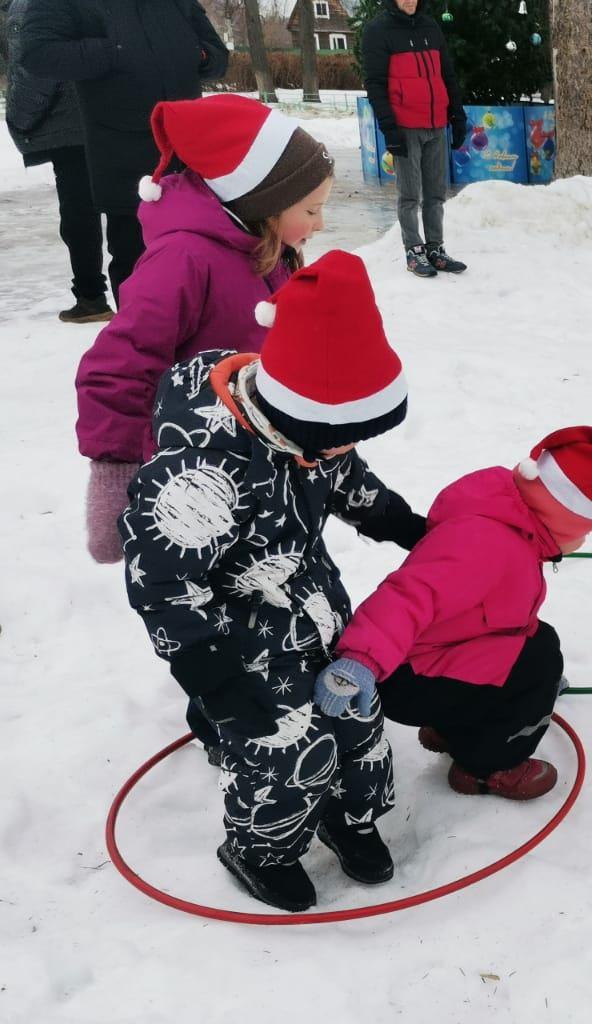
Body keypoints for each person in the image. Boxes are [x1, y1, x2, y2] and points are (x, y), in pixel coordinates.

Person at [120, 251, 426, 914]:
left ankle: (349, 814)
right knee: (284, 744)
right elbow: (165, 583)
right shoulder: (203, 475)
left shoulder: (313, 428)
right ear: (302, 419)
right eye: (340, 438)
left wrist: (401, 523)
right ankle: (261, 849)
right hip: (234, 628)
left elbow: (345, 477)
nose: (344, 450)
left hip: (311, 598)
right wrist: (213, 679)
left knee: (356, 711)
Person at [77, 94, 337, 567]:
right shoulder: (184, 260)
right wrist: (115, 478)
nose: (321, 224)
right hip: (193, 479)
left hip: (256, 463)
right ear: (266, 203)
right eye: (311, 210)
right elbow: (119, 366)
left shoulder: (265, 250)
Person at [313, 428, 592, 801]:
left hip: (432, 657)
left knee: (536, 647)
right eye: (584, 531)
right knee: (538, 662)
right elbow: (410, 595)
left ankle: (452, 728)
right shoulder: (487, 543)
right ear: (559, 518)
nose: (584, 541)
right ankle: (488, 767)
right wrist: (361, 659)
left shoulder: (512, 518)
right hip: (407, 676)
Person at [17, 0, 229, 302]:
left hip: (188, 146)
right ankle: (140, 332)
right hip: (123, 150)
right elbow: (38, 53)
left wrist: (198, 55)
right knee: (138, 267)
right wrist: (116, 52)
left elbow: (218, 56)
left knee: (202, 259)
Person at [2, 0, 111, 322]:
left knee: (79, 213)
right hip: (105, 113)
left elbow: (36, 69)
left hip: (69, 122)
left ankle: (91, 297)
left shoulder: (28, 6)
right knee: (124, 206)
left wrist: (20, 117)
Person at [361, 0, 468, 279]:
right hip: (405, 126)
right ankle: (413, 250)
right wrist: (389, 128)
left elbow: (447, 75)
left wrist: (457, 115)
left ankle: (435, 248)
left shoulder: (430, 27)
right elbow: (375, 84)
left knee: (435, 194)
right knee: (409, 195)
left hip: (436, 124)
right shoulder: (378, 31)